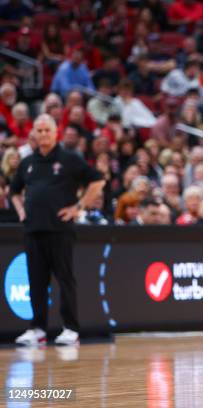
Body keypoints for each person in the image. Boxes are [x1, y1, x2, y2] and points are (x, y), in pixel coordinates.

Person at [10, 114, 105, 346]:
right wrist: (21, 210)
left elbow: (98, 181)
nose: (43, 134)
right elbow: (13, 191)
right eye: (39, 130)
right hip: (33, 230)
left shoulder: (69, 159)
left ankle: (70, 328)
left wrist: (78, 207)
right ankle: (37, 329)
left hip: (60, 229)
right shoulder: (27, 163)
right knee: (36, 280)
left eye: (47, 130)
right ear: (33, 133)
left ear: (56, 133)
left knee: (65, 279)